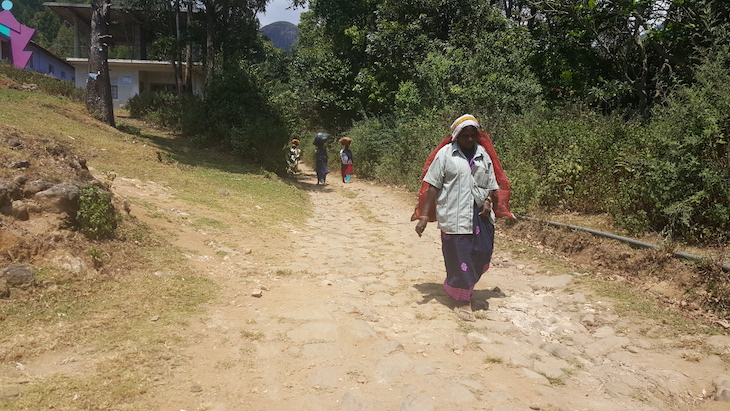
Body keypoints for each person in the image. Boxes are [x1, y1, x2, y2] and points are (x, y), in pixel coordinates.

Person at [412, 114, 513, 322]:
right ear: (456, 136)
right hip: (454, 215)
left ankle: (460, 287)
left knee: (482, 253)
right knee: (460, 259)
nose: (469, 139)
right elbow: (432, 185)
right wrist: (423, 215)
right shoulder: (445, 155)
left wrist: (487, 201)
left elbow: (491, 184)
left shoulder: (483, 154)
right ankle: (462, 300)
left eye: (472, 135)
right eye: (465, 135)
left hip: (480, 216)